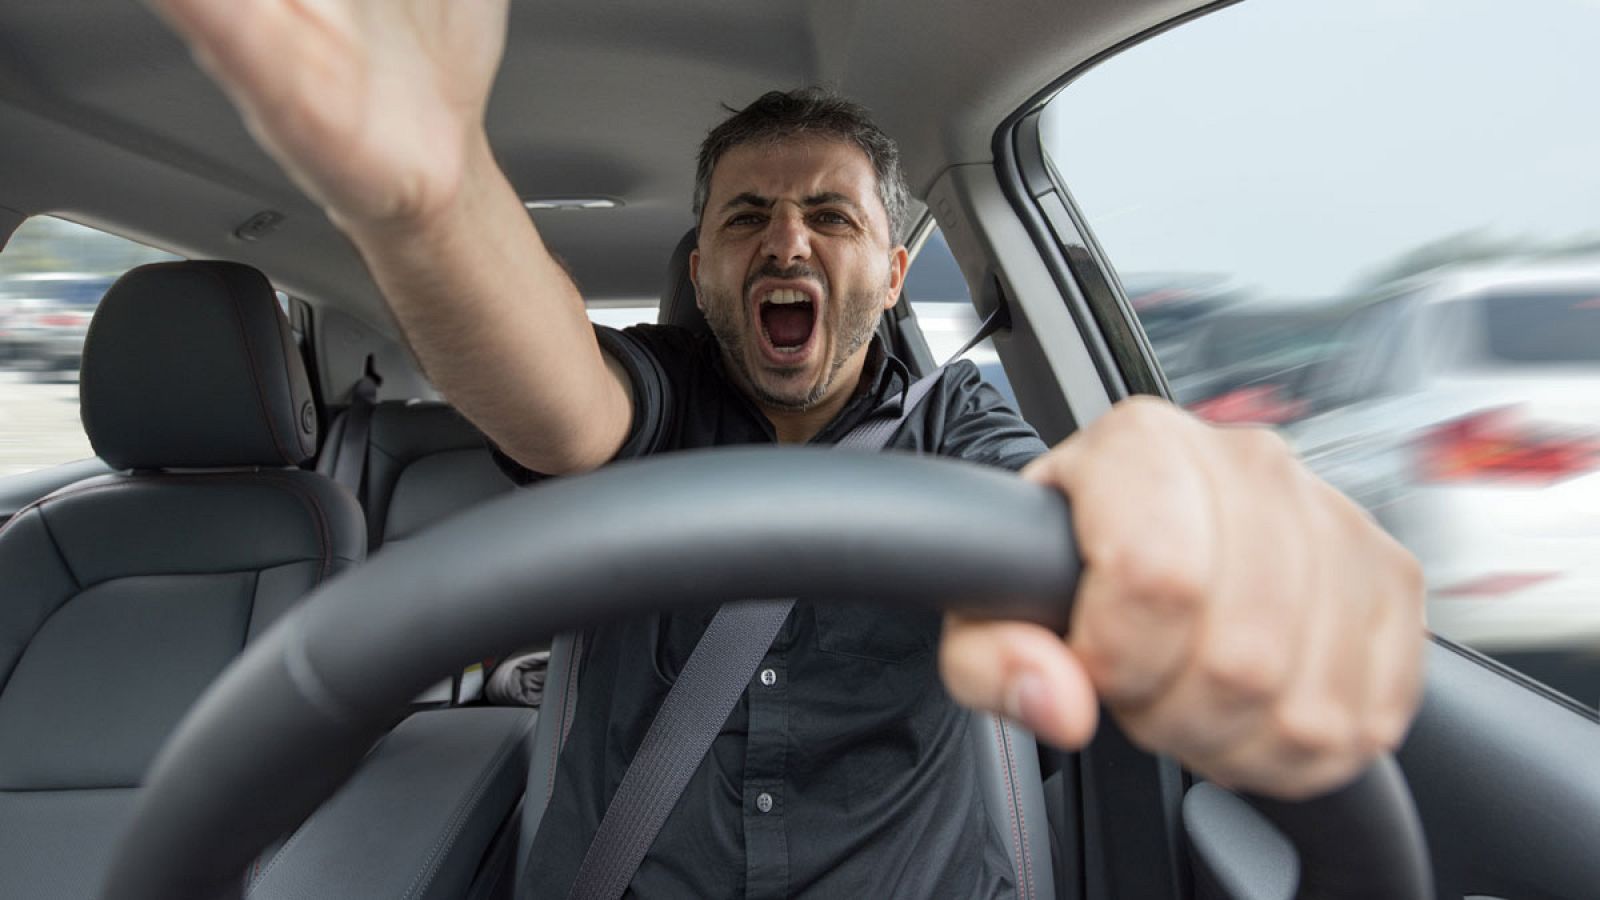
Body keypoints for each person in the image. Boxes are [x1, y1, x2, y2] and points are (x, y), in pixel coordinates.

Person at [146, 1, 1427, 897]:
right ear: (703, 267)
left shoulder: (955, 427)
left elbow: (1057, 495)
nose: (788, 241)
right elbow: (561, 406)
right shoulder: (658, 397)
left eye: (830, 214)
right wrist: (427, 202)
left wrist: (1172, 507)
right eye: (747, 216)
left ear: (893, 269)